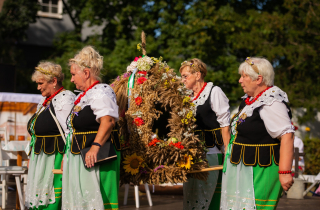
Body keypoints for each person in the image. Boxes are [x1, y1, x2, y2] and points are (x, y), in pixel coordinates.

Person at [221, 57, 294, 210]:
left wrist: (285, 172)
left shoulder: (271, 102)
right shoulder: (250, 101)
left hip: (262, 168)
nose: (240, 81)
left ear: (258, 79)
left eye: (244, 76)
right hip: (245, 168)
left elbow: (287, 135)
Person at [61, 46, 120, 210]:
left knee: (99, 199)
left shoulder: (101, 92)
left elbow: (108, 121)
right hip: (83, 156)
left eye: (74, 74)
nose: (71, 79)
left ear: (86, 73)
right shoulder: (85, 95)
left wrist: (95, 147)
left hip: (98, 156)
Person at [180, 58, 231, 210]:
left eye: (185, 76)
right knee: (190, 197)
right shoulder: (187, 97)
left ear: (198, 74)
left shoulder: (214, 92)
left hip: (211, 152)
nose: (182, 80)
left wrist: (228, 151)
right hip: (190, 155)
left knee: (205, 197)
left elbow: (225, 124)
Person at [25, 62, 76, 209]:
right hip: (40, 156)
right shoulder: (45, 100)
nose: (38, 87)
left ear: (53, 81)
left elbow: (70, 130)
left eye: (41, 83)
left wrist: (67, 156)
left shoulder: (65, 98)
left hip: (55, 156)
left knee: (52, 199)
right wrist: (31, 155)